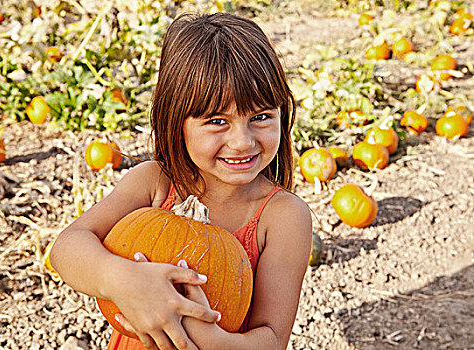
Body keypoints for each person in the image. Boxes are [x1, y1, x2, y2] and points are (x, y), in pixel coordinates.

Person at [50, 12, 312, 350]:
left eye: (261, 117)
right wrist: (122, 281)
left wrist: (197, 332)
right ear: (177, 122)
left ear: (282, 113)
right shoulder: (155, 183)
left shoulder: (283, 216)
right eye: (217, 121)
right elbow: (66, 248)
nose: (243, 141)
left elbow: (271, 339)